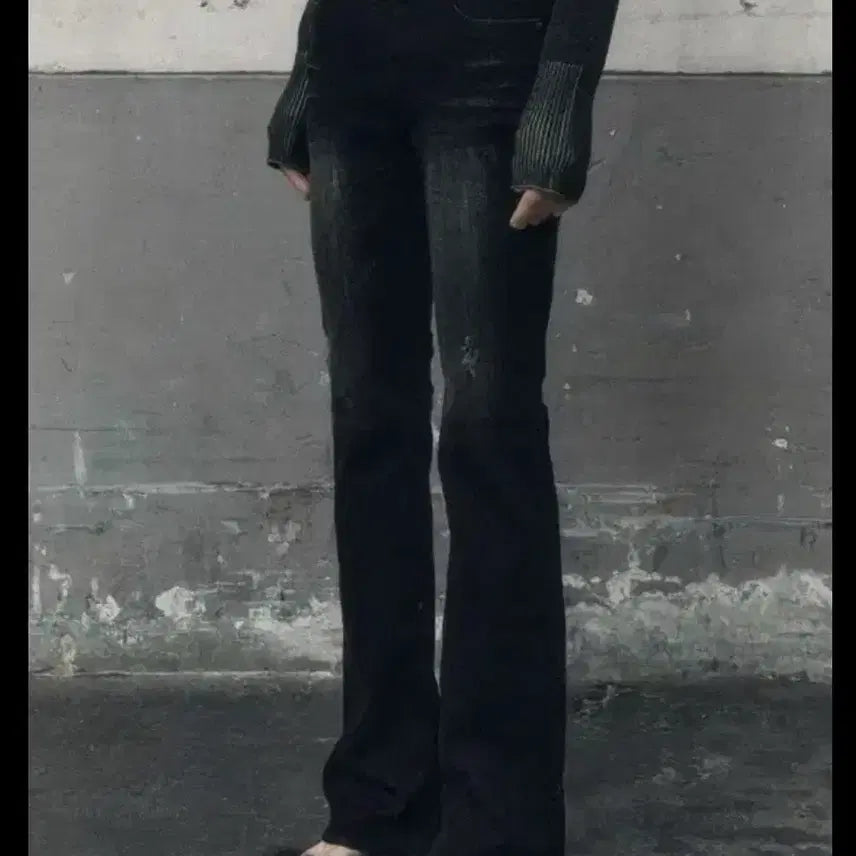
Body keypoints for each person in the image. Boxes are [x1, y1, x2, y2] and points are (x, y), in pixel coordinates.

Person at [265, 2, 619, 855]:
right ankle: (379, 804)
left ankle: (502, 824)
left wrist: (559, 100)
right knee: (367, 423)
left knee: (486, 429)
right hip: (353, 77)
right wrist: (308, 75)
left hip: (491, 73)